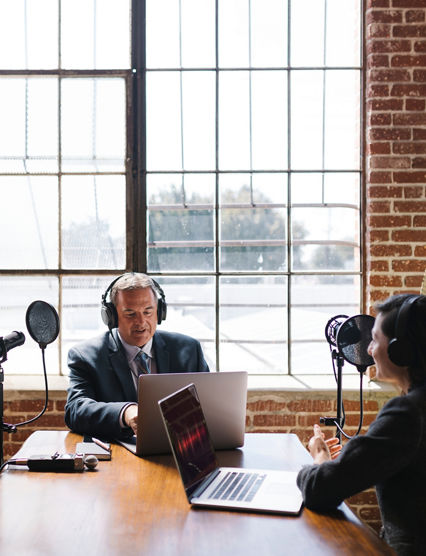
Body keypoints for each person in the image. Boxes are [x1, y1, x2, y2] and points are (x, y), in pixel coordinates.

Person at [297, 293, 426, 556]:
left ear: (401, 351)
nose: (369, 350)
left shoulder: (408, 413)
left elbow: (319, 489)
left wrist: (320, 457)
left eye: (376, 340)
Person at [65, 272, 209, 440]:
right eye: (130, 314)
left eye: (148, 312)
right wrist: (125, 412)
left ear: (160, 312)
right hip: (118, 456)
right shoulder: (86, 356)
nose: (141, 322)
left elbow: (209, 405)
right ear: (111, 316)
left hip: (180, 449)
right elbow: (75, 410)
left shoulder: (189, 350)